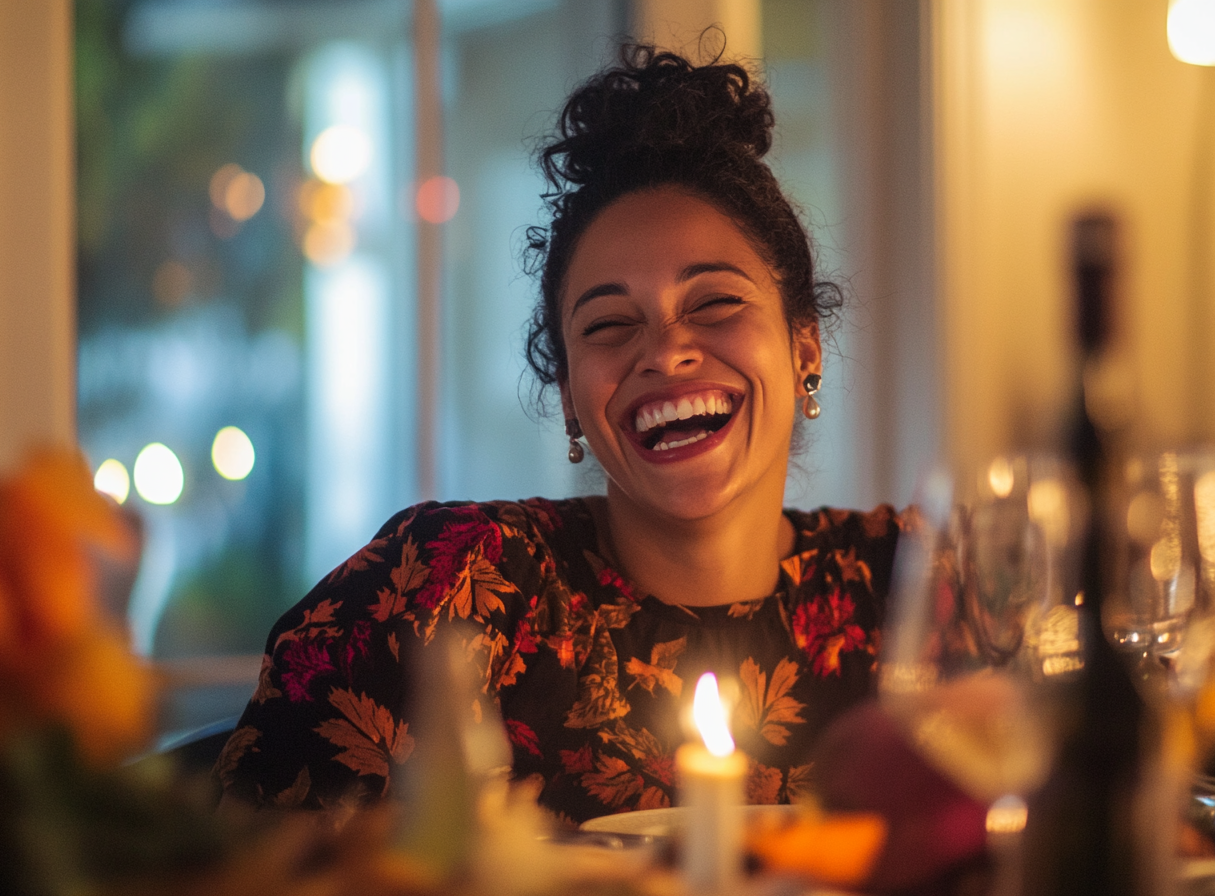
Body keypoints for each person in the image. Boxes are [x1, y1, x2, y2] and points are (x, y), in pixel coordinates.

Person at [217, 43, 907, 825]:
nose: (666, 351)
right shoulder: (450, 588)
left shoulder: (916, 592)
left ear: (803, 346)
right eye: (610, 324)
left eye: (715, 303)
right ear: (574, 402)